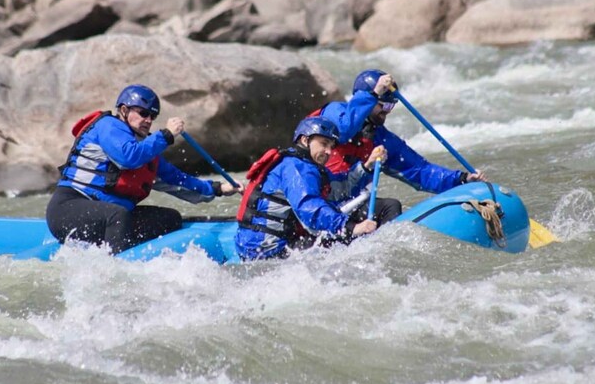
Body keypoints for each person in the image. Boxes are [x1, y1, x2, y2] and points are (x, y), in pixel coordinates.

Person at [46, 84, 242, 253]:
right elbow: (127, 158)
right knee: (118, 215)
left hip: (109, 219)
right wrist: (166, 135)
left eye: (152, 116)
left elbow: (176, 179)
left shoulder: (146, 150)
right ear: (124, 110)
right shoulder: (108, 126)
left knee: (170, 218)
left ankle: (129, 253)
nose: (148, 120)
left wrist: (218, 189)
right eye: (143, 113)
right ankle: (115, 268)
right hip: (69, 208)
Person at [316, 69, 486, 203]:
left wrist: (462, 179)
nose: (386, 113)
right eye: (383, 106)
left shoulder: (381, 140)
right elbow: (344, 130)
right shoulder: (334, 111)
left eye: (391, 107)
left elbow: (419, 171)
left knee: (391, 207)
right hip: (316, 196)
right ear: (365, 98)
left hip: (346, 201)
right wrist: (373, 94)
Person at [234, 116, 384, 260]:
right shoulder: (295, 167)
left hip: (265, 248)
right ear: (305, 140)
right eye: (324, 144)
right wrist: (350, 227)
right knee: (382, 211)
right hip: (267, 252)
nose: (329, 151)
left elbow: (340, 189)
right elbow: (309, 208)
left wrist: (367, 166)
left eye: (331, 146)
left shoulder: (308, 166)